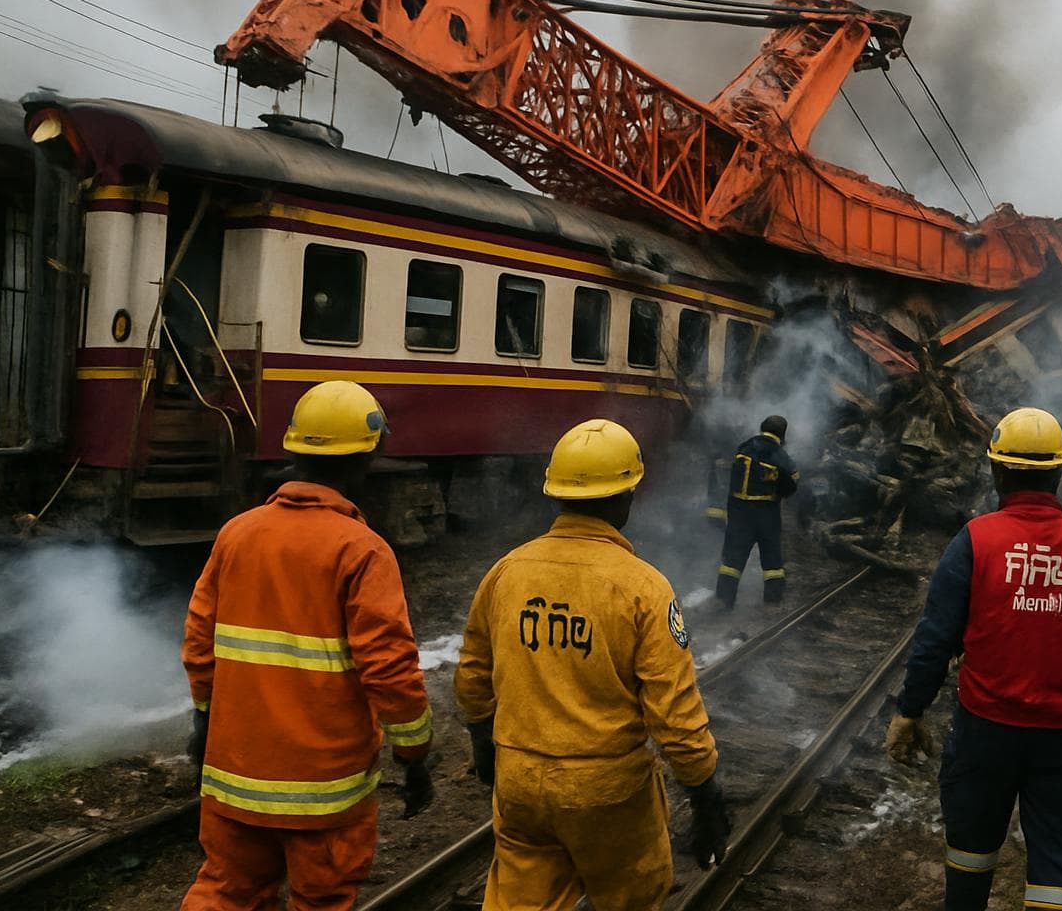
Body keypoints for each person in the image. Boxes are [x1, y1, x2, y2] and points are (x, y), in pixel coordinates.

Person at [455, 418, 730, 910]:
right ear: (627, 496)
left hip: (519, 780)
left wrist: (483, 741)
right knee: (631, 897)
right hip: (608, 794)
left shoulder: (507, 571)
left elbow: (474, 673)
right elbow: (674, 715)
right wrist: (705, 795)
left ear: (556, 492)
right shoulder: (643, 587)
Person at [180, 381, 434, 911]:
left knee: (225, 892)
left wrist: (204, 720)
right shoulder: (362, 550)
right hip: (324, 789)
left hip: (235, 772)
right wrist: (414, 754)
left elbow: (200, 640)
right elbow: (388, 666)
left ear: (294, 450)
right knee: (323, 899)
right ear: (366, 459)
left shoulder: (237, 533)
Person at [885, 407, 1062, 911]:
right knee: (1056, 865)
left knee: (970, 850)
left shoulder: (975, 541)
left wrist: (910, 710)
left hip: (986, 730)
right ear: (1059, 472)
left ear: (996, 470)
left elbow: (936, 637)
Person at [715, 415, 799, 608]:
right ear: (782, 435)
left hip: (739, 514)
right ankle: (772, 601)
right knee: (772, 561)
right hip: (766, 515)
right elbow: (791, 486)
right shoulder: (779, 455)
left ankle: (724, 600)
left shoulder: (744, 448)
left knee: (732, 561)